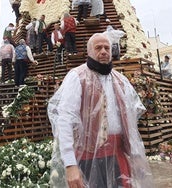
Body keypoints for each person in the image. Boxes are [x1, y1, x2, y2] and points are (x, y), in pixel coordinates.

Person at [48, 33, 154, 188]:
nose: (104, 51)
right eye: (98, 48)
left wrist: (136, 155)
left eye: (107, 48)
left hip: (119, 155)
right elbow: (65, 120)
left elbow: (130, 123)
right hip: (88, 157)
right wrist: (70, 164)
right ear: (89, 52)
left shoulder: (120, 80)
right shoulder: (77, 77)